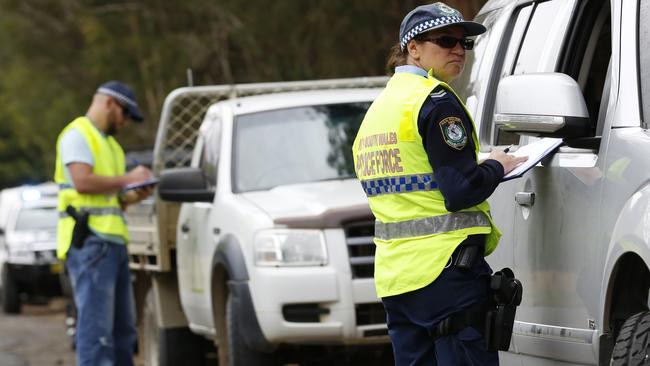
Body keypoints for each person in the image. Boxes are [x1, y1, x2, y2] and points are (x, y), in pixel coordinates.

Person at [352, 3, 528, 365]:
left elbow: (417, 181)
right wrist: (496, 166)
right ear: (412, 47)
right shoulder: (435, 101)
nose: (458, 50)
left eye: (465, 43)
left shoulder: (380, 109)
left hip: (397, 281)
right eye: (446, 40)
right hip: (447, 276)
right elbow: (460, 191)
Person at [54, 81, 154, 366]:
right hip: (91, 245)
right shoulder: (77, 135)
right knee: (97, 334)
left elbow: (113, 199)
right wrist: (129, 179)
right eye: (125, 114)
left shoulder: (111, 146)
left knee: (123, 333)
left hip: (112, 243)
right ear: (110, 103)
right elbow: (83, 183)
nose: (124, 122)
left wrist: (136, 193)